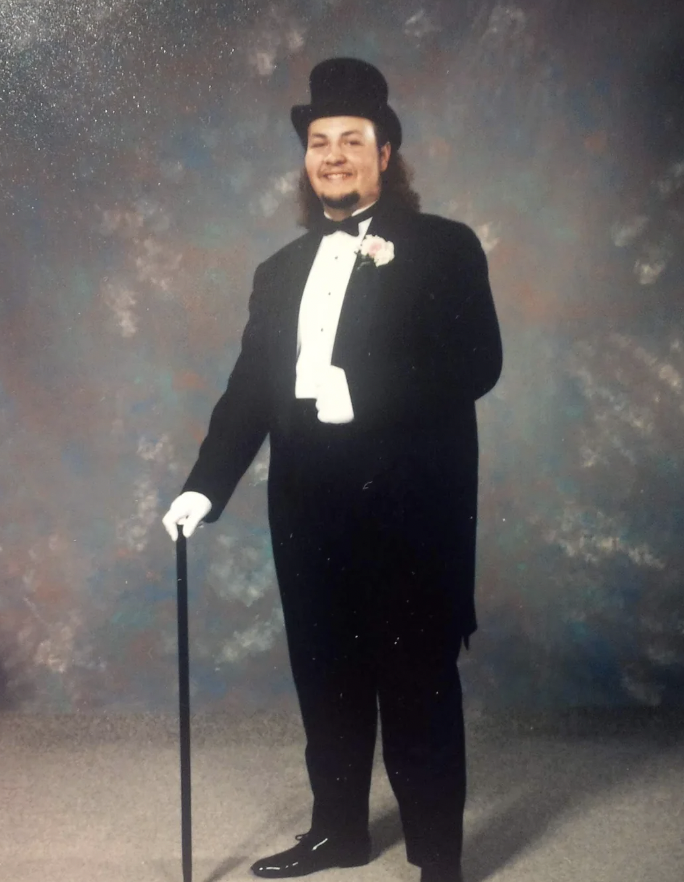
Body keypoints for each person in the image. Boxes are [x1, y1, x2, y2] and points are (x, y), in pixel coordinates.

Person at [162, 58, 503, 882]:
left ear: (387, 154)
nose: (335, 154)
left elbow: (478, 363)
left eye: (354, 139)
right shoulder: (278, 272)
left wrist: (372, 391)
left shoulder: (445, 246)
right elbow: (249, 391)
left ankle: (437, 859)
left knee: (417, 683)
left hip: (411, 503)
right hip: (307, 508)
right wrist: (204, 486)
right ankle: (338, 831)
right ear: (308, 159)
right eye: (321, 141)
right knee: (327, 676)